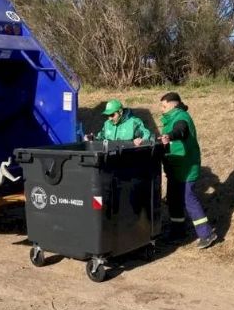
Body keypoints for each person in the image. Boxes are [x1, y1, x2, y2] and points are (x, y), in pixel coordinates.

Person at [159, 92, 217, 249]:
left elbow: (181, 130)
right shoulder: (169, 119)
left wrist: (170, 136)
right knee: (173, 199)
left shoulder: (181, 117)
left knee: (188, 199)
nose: (161, 109)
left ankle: (206, 233)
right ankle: (178, 231)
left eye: (164, 106)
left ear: (174, 105)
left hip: (186, 168)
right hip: (174, 168)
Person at [85, 99, 151, 145]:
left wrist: (142, 140)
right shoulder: (107, 124)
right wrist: (92, 138)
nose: (110, 118)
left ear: (120, 112)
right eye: (107, 115)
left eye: (112, 115)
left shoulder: (133, 122)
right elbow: (101, 138)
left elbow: (147, 134)